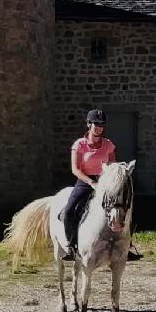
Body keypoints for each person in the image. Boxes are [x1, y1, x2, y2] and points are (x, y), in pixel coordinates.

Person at [61, 110, 141, 262]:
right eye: (96, 124)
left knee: (124, 206)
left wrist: (110, 182)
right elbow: (75, 169)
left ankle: (127, 244)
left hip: (105, 180)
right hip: (85, 181)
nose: (99, 127)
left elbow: (112, 166)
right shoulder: (79, 145)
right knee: (70, 208)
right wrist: (91, 182)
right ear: (88, 124)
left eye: (101, 124)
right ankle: (71, 245)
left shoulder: (108, 144)